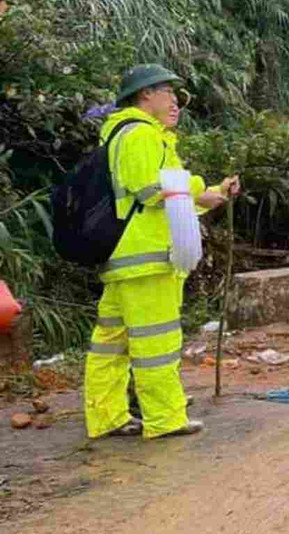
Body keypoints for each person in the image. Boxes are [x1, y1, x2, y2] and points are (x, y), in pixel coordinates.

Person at [84, 65, 239, 440]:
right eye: (167, 92)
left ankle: (107, 417)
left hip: (127, 258)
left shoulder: (128, 134)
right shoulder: (139, 134)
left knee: (111, 344)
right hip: (147, 258)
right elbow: (152, 189)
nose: (175, 101)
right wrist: (201, 186)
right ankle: (165, 417)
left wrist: (210, 194)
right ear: (143, 96)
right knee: (157, 342)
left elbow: (168, 197)